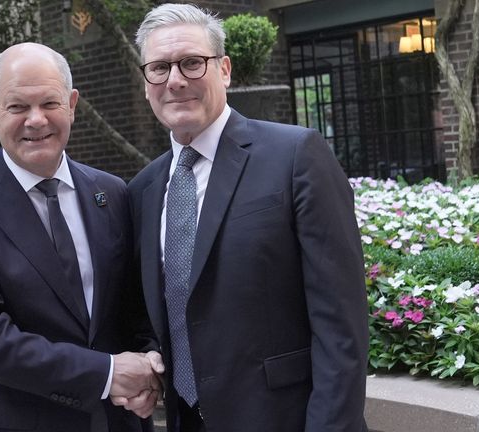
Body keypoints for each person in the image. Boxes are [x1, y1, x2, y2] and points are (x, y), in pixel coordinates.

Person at [127, 4, 369, 431]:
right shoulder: (142, 190)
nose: (176, 80)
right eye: (160, 67)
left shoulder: (295, 156)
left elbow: (341, 327)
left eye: (191, 63)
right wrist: (148, 354)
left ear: (224, 69)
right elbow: (164, 309)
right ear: (146, 82)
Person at [0, 42, 164, 432]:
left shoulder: (112, 193)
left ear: (72, 104)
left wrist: (149, 362)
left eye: (50, 104)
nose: (36, 120)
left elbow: (136, 306)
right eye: (17, 107)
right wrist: (106, 373)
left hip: (118, 422)